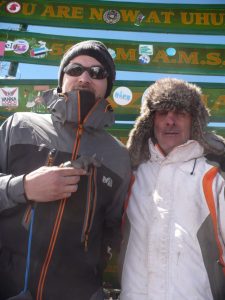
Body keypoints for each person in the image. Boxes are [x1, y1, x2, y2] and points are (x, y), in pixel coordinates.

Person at [0, 40, 131, 300]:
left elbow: (115, 230)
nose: (84, 77)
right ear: (62, 78)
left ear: (107, 86)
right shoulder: (20, 125)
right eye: (74, 69)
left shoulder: (119, 157)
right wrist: (24, 186)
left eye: (97, 73)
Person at [119, 78, 225, 300]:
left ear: (193, 122)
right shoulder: (130, 175)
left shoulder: (214, 177)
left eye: (180, 113)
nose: (170, 121)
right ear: (150, 121)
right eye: (162, 112)